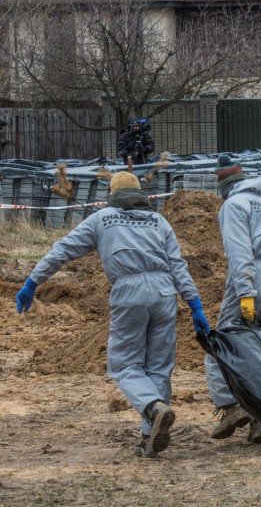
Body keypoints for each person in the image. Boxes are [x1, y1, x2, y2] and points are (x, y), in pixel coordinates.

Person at [14, 171, 210, 459]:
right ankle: (149, 435)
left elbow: (63, 251)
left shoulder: (102, 219)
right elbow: (179, 266)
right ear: (140, 194)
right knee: (158, 366)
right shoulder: (159, 221)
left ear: (112, 194)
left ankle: (153, 407)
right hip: (165, 291)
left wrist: (33, 280)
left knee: (124, 364)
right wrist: (195, 305)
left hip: (129, 291)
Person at [205, 155, 261, 445]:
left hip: (252, 279)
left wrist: (246, 294)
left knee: (221, 346)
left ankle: (231, 407)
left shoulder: (233, 206)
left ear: (223, 184)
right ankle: (260, 420)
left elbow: (240, 255)